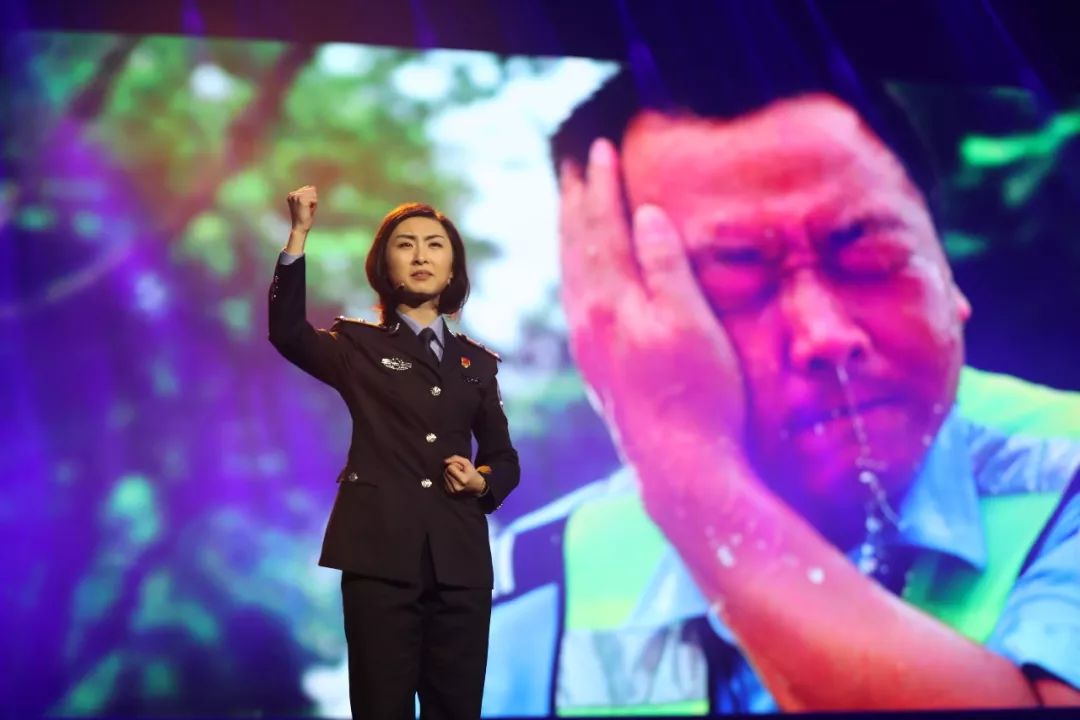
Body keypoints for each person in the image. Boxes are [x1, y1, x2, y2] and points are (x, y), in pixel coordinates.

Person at [481, 67, 1080, 715]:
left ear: (945, 271)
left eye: (872, 260)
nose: (826, 335)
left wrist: (687, 469)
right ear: (616, 320)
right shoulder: (527, 585)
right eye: (735, 285)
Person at [268, 189, 519, 719]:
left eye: (435, 245)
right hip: (378, 553)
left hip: (460, 561)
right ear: (385, 265)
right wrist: (298, 236)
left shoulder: (477, 365)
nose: (422, 255)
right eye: (406, 245)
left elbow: (504, 457)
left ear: (453, 268)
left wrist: (483, 481)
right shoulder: (356, 347)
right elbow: (287, 333)